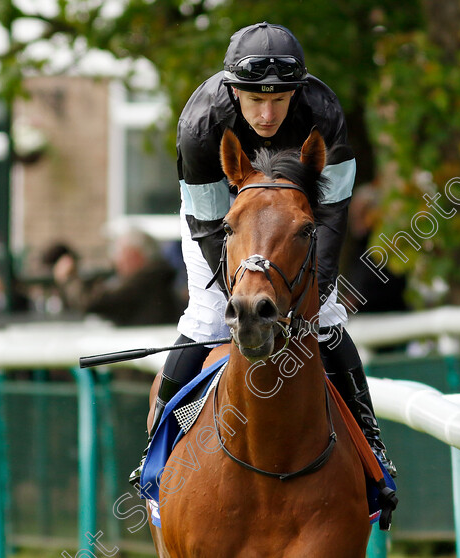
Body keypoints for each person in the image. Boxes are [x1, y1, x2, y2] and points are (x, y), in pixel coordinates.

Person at [129, 22, 395, 485]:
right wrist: (244, 293)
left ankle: (372, 448)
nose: (267, 113)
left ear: (297, 92)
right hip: (222, 219)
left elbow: (331, 214)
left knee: (327, 317)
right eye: (255, 99)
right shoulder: (200, 125)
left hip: (296, 221)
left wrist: (315, 292)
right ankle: (157, 453)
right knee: (208, 317)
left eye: (279, 99)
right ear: (233, 91)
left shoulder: (324, 110)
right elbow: (214, 228)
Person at [49, 229, 184, 326]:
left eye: (120, 255)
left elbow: (94, 302)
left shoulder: (146, 281)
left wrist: (69, 279)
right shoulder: (156, 278)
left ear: (135, 255)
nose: (117, 263)